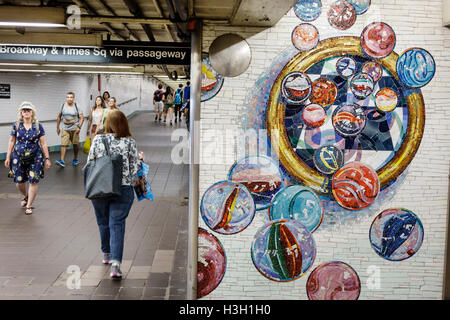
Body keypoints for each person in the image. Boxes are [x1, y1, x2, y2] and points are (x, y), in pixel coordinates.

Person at [87, 109, 140, 279]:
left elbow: (90, 163)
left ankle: (106, 254)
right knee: (116, 223)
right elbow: (134, 169)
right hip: (122, 188)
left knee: (103, 222)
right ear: (124, 123)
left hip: (100, 188)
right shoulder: (129, 142)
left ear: (107, 123)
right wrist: (141, 158)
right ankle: (116, 265)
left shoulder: (98, 139)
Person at [5, 102, 51, 215]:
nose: (26, 112)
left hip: (36, 157)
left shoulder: (38, 125)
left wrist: (47, 158)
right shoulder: (16, 125)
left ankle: (29, 205)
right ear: (21, 112)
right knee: (19, 181)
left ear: (32, 112)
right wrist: (8, 157)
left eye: (28, 110)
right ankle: (25, 196)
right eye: (24, 110)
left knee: (33, 181)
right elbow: (11, 141)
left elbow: (43, 143)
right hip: (18, 157)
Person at [56, 92, 84, 167]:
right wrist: (57, 127)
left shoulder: (76, 105)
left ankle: (75, 159)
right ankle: (62, 160)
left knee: (75, 144)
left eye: (71, 97)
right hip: (65, 128)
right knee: (63, 144)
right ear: (66, 98)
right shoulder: (62, 105)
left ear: (73, 98)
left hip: (75, 128)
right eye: (68, 97)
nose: (69, 98)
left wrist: (79, 127)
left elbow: (82, 117)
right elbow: (59, 117)